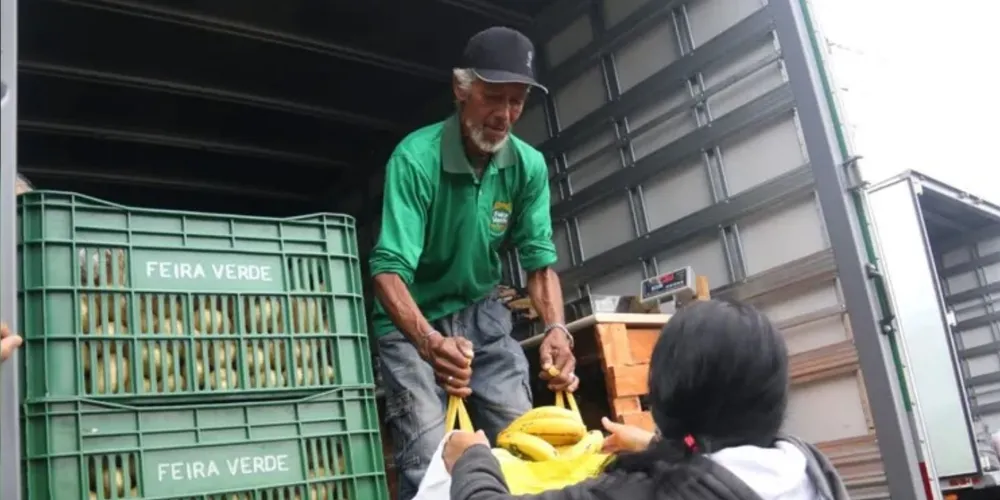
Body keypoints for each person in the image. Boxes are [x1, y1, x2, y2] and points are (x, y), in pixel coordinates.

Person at [369, 26, 577, 500]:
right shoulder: (416, 159)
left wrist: (556, 329)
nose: (504, 115)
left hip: (482, 311)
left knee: (524, 437)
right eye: (493, 97)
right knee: (430, 458)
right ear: (461, 89)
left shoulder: (528, 167)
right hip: (412, 318)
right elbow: (387, 271)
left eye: (517, 101)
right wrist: (429, 342)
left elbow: (539, 264)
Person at [442, 299, 851, 500]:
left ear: (669, 391)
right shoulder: (808, 469)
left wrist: (471, 461)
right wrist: (657, 446)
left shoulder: (650, 492)